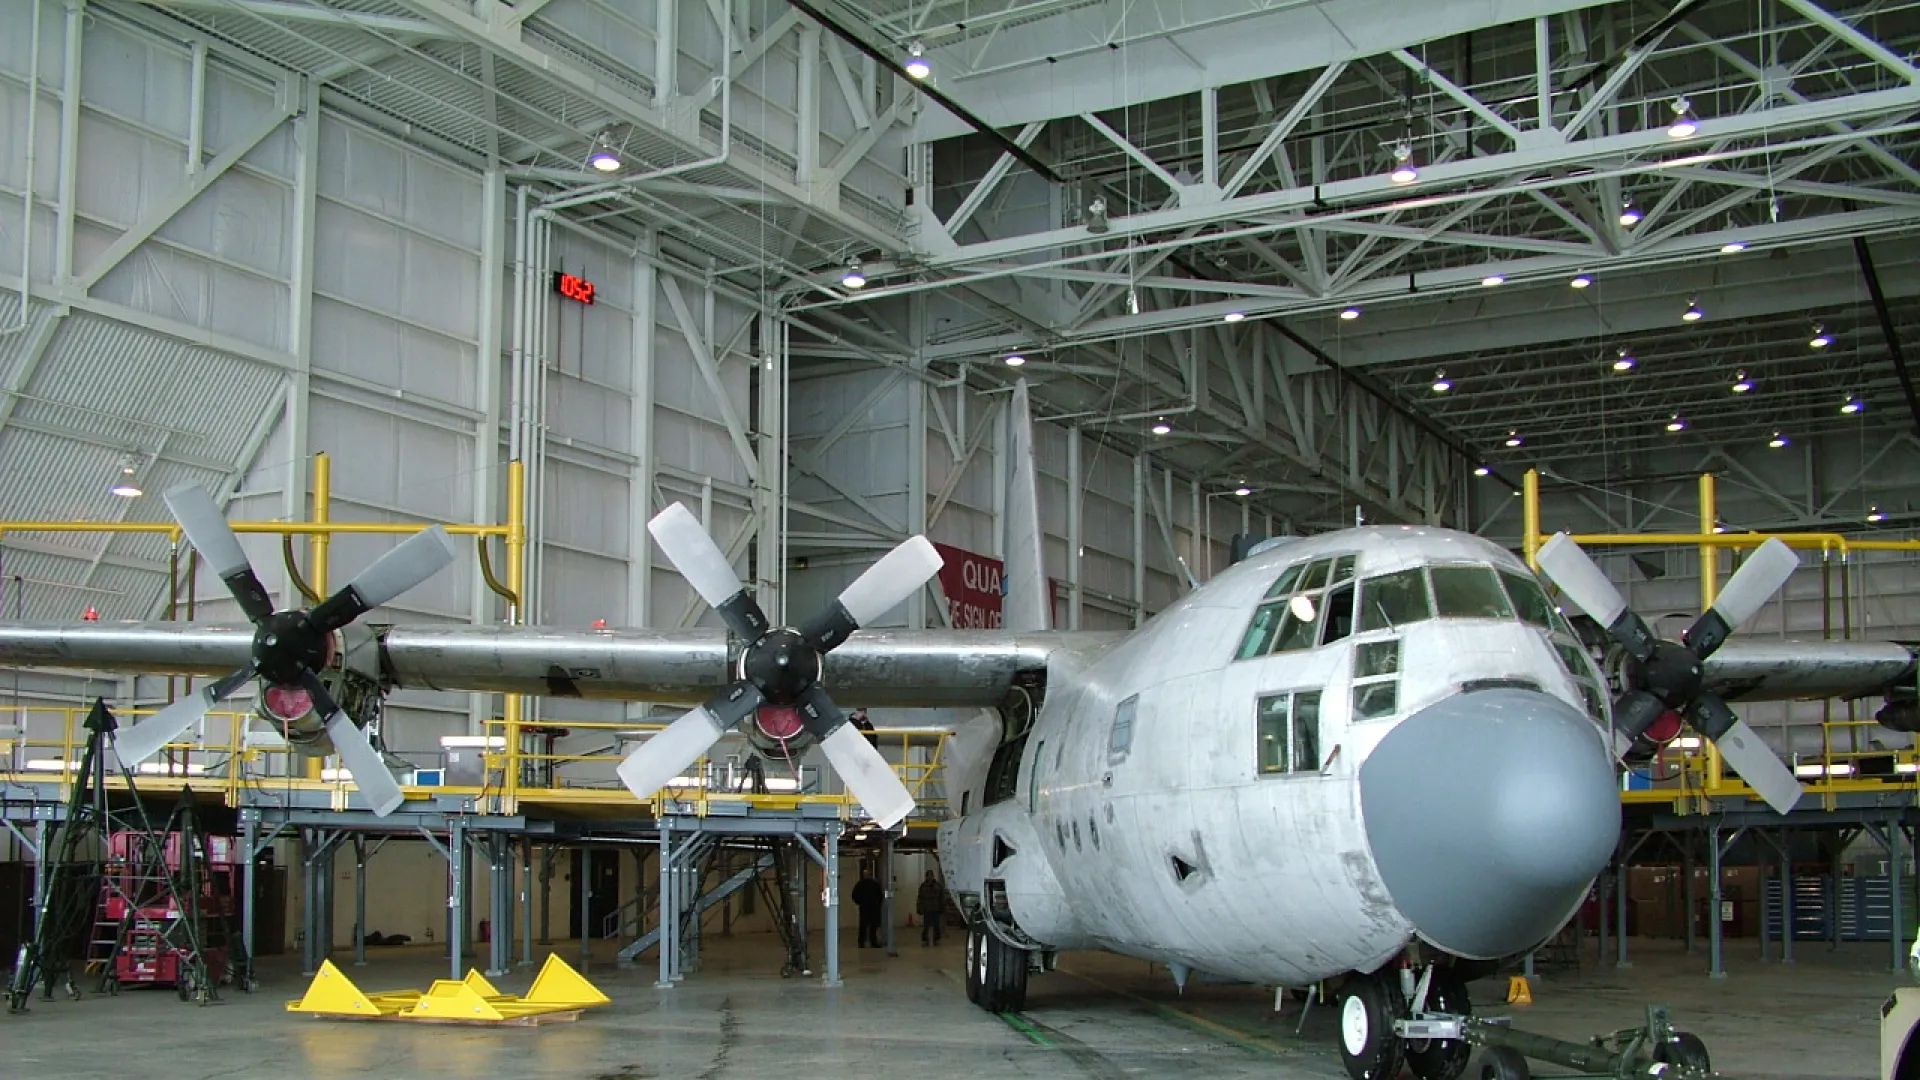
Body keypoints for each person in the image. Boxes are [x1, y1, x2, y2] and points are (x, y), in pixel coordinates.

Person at [851, 868, 885, 949]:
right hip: (874, 907)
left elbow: (854, 895)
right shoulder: (875, 884)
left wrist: (860, 902)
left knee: (863, 925)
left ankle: (861, 943)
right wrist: (877, 903)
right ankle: (873, 942)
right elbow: (880, 895)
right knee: (873, 926)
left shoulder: (859, 884)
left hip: (864, 907)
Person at [917, 868, 946, 945]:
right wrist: (919, 908)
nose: (930, 877)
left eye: (931, 875)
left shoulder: (938, 886)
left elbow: (941, 897)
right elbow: (920, 898)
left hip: (936, 908)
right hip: (927, 908)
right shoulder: (923, 886)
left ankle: (936, 940)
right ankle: (925, 939)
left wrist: (942, 907)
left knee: (936, 925)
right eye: (928, 876)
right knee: (926, 926)